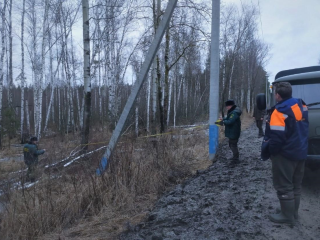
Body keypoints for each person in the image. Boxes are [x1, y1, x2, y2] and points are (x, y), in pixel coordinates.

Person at [262, 82, 308, 226]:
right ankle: (292, 212)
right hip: (300, 151)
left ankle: (287, 216)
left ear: (277, 95)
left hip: (285, 155)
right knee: (296, 185)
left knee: (284, 185)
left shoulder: (279, 111)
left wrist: (273, 153)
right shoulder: (301, 105)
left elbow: (276, 138)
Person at [222, 99, 242, 163]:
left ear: (230, 105)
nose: (226, 107)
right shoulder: (233, 111)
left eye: (227, 106)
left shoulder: (234, 113)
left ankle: (236, 159)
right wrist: (223, 119)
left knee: (233, 145)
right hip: (233, 131)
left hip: (234, 131)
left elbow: (230, 121)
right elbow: (229, 118)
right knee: (231, 144)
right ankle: (235, 157)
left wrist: (223, 122)